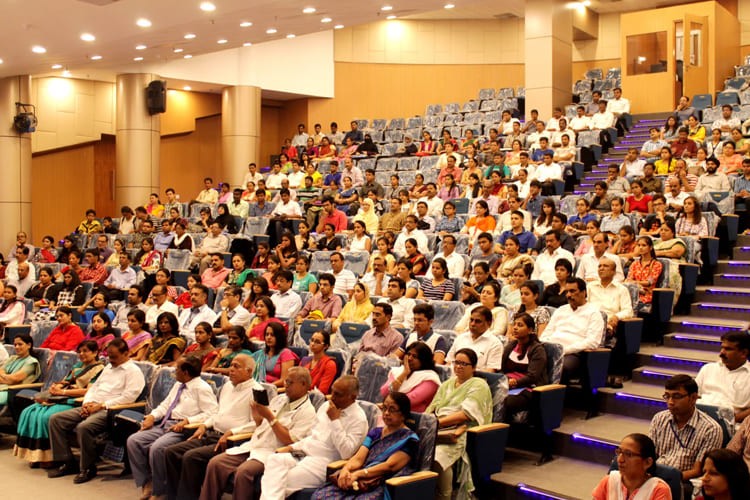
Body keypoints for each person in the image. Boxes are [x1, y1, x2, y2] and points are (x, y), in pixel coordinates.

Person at [163, 354, 261, 500]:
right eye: (231, 365)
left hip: (233, 441)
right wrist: (204, 424)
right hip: (212, 433)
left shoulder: (257, 391)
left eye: (236, 366)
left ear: (249, 371)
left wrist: (232, 432)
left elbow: (258, 424)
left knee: (191, 457)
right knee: (171, 452)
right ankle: (174, 496)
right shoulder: (228, 386)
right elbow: (218, 413)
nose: (231, 370)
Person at [48, 338, 146, 483]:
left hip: (111, 410)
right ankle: (67, 461)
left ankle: (87, 468)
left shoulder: (133, 371)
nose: (110, 360)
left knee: (84, 427)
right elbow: (94, 388)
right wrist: (88, 403)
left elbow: (129, 397)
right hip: (92, 405)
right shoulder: (108, 368)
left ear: (126, 353)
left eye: (114, 357)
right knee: (56, 420)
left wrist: (101, 405)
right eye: (109, 356)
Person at [259, 376, 369, 499]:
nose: (332, 397)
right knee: (274, 460)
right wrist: (292, 447)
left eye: (338, 394)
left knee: (281, 481)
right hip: (303, 453)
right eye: (332, 391)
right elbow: (313, 436)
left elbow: (346, 453)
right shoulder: (326, 406)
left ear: (352, 397)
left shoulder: (359, 419)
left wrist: (335, 421)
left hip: (324, 462)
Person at [127, 355, 219, 500]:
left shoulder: (202, 388)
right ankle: (147, 482)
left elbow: (212, 412)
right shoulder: (178, 384)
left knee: (157, 448)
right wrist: (152, 416)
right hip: (165, 423)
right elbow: (166, 405)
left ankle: (160, 491)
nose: (174, 371)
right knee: (134, 441)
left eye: (177, 369)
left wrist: (188, 420)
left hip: (182, 428)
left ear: (186, 372)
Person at [311, 392, 419, 500]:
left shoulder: (408, 439)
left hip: (382, 482)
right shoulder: (375, 432)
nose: (386, 413)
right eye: (384, 408)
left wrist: (360, 474)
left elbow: (389, 466)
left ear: (403, 414)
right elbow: (358, 459)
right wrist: (346, 470)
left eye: (392, 409)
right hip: (360, 478)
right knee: (320, 496)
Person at [13, 339, 104, 466]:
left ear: (95, 353)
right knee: (29, 412)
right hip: (61, 396)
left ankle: (49, 457)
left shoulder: (99, 369)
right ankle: (35, 455)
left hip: (77, 400)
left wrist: (63, 393)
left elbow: (89, 390)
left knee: (45, 417)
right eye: (80, 351)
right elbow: (65, 382)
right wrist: (56, 388)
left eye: (86, 351)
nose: (82, 354)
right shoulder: (77, 366)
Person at [428, 348, 493, 500]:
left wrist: (438, 423)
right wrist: (428, 424)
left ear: (474, 367)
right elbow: (432, 407)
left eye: (464, 364)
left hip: (462, 430)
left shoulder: (479, 384)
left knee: (438, 456)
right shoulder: (447, 384)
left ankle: (445, 495)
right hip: (437, 426)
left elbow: (466, 414)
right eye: (457, 362)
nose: (459, 366)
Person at [649, 374, 722, 487]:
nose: (670, 402)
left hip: (683, 483)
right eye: (667, 396)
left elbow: (698, 471)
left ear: (693, 398)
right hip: (655, 476)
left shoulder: (711, 429)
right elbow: (650, 455)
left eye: (676, 396)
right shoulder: (659, 418)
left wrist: (668, 479)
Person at [540, 278, 605, 383]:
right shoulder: (561, 310)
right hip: (551, 349)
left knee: (560, 368)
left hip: (573, 353)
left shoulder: (593, 313)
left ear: (583, 293)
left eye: (572, 291)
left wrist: (565, 349)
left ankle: (555, 397)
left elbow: (593, 342)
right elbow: (546, 333)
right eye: (567, 292)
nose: (568, 295)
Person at [591, 434, 671, 500]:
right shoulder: (609, 481)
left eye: (628, 454)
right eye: (619, 452)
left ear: (647, 462)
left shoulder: (658, 490)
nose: (620, 460)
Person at [502, 313, 550, 421]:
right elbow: (503, 369)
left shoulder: (537, 350)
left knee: (504, 402)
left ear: (530, 330)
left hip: (528, 388)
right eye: (514, 325)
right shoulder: (511, 346)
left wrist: (514, 382)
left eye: (520, 325)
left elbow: (533, 376)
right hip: (508, 384)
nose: (515, 328)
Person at [694, 331, 750, 423]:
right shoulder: (708, 368)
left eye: (728, 349)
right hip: (700, 421)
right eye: (722, 348)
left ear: (743, 353)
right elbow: (694, 396)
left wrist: (730, 420)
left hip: (733, 426)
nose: (721, 353)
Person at [445, 306, 504, 373]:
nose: (473, 324)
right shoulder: (460, 338)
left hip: (477, 381)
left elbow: (490, 372)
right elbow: (449, 363)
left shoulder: (495, 344)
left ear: (489, 323)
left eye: (478, 321)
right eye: (471, 320)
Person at [0, 334, 41, 407]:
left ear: (29, 345)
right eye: (15, 345)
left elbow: (14, 379)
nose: (16, 347)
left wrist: (4, 377)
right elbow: (1, 371)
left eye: (20, 344)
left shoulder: (31, 362)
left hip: (13, 391)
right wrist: (7, 377)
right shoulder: (12, 358)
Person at [252, 322, 298, 387]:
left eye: (272, 335)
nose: (268, 337)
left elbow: (284, 380)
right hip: (258, 386)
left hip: (274, 389)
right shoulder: (261, 353)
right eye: (267, 334)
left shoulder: (286, 353)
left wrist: (266, 386)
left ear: (279, 337)